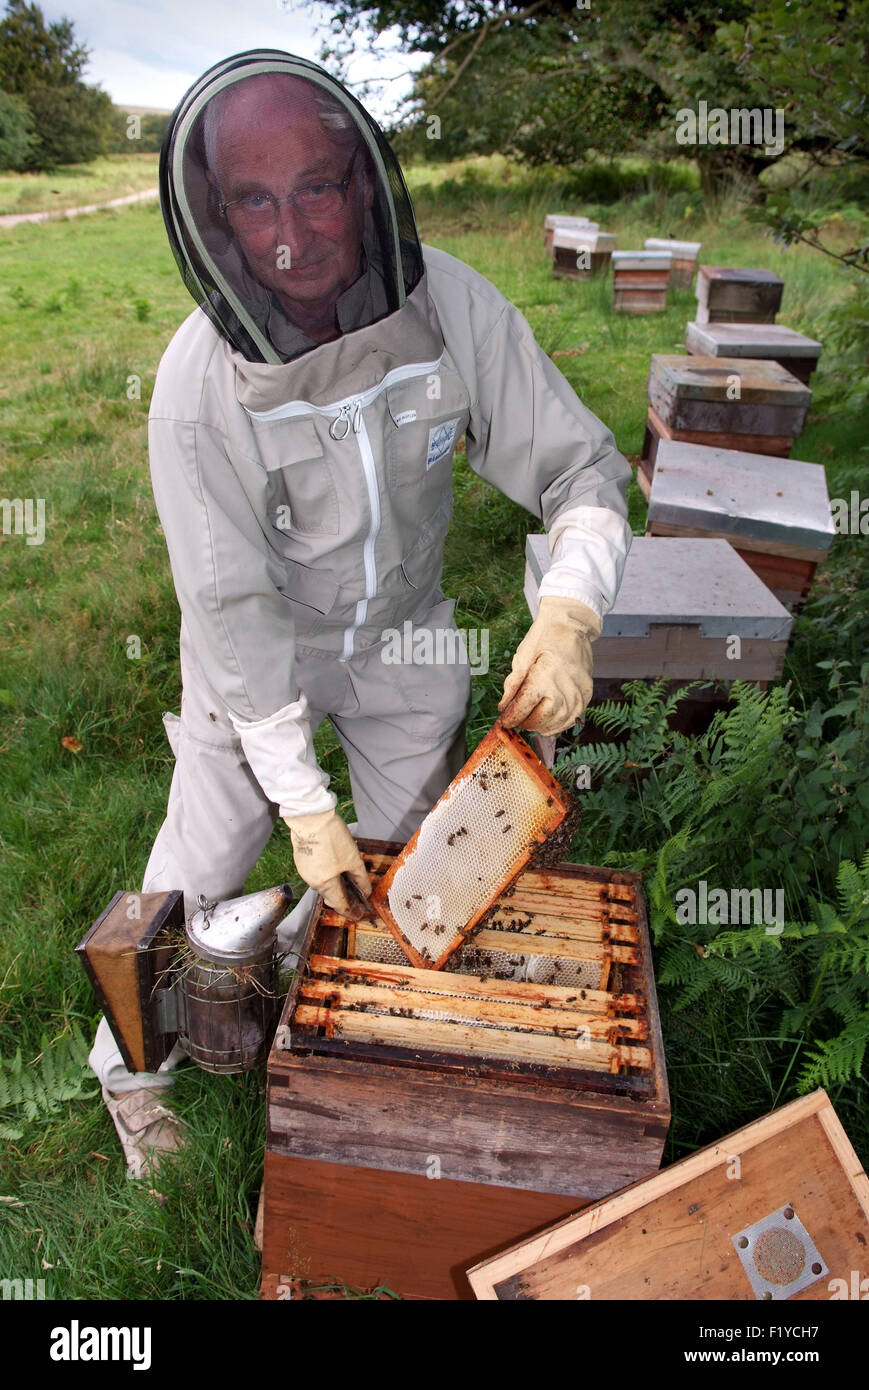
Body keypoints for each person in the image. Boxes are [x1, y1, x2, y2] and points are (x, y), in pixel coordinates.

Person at [88, 48, 632, 1176]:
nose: (290, 234)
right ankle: (131, 1076)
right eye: (253, 198)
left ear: (362, 181)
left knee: (413, 877)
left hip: (403, 643)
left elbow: (578, 469)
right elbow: (232, 608)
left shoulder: (454, 308)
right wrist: (295, 794)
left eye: (315, 188)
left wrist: (569, 612)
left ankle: (315, 984)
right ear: (214, 219)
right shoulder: (198, 385)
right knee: (193, 869)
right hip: (255, 668)